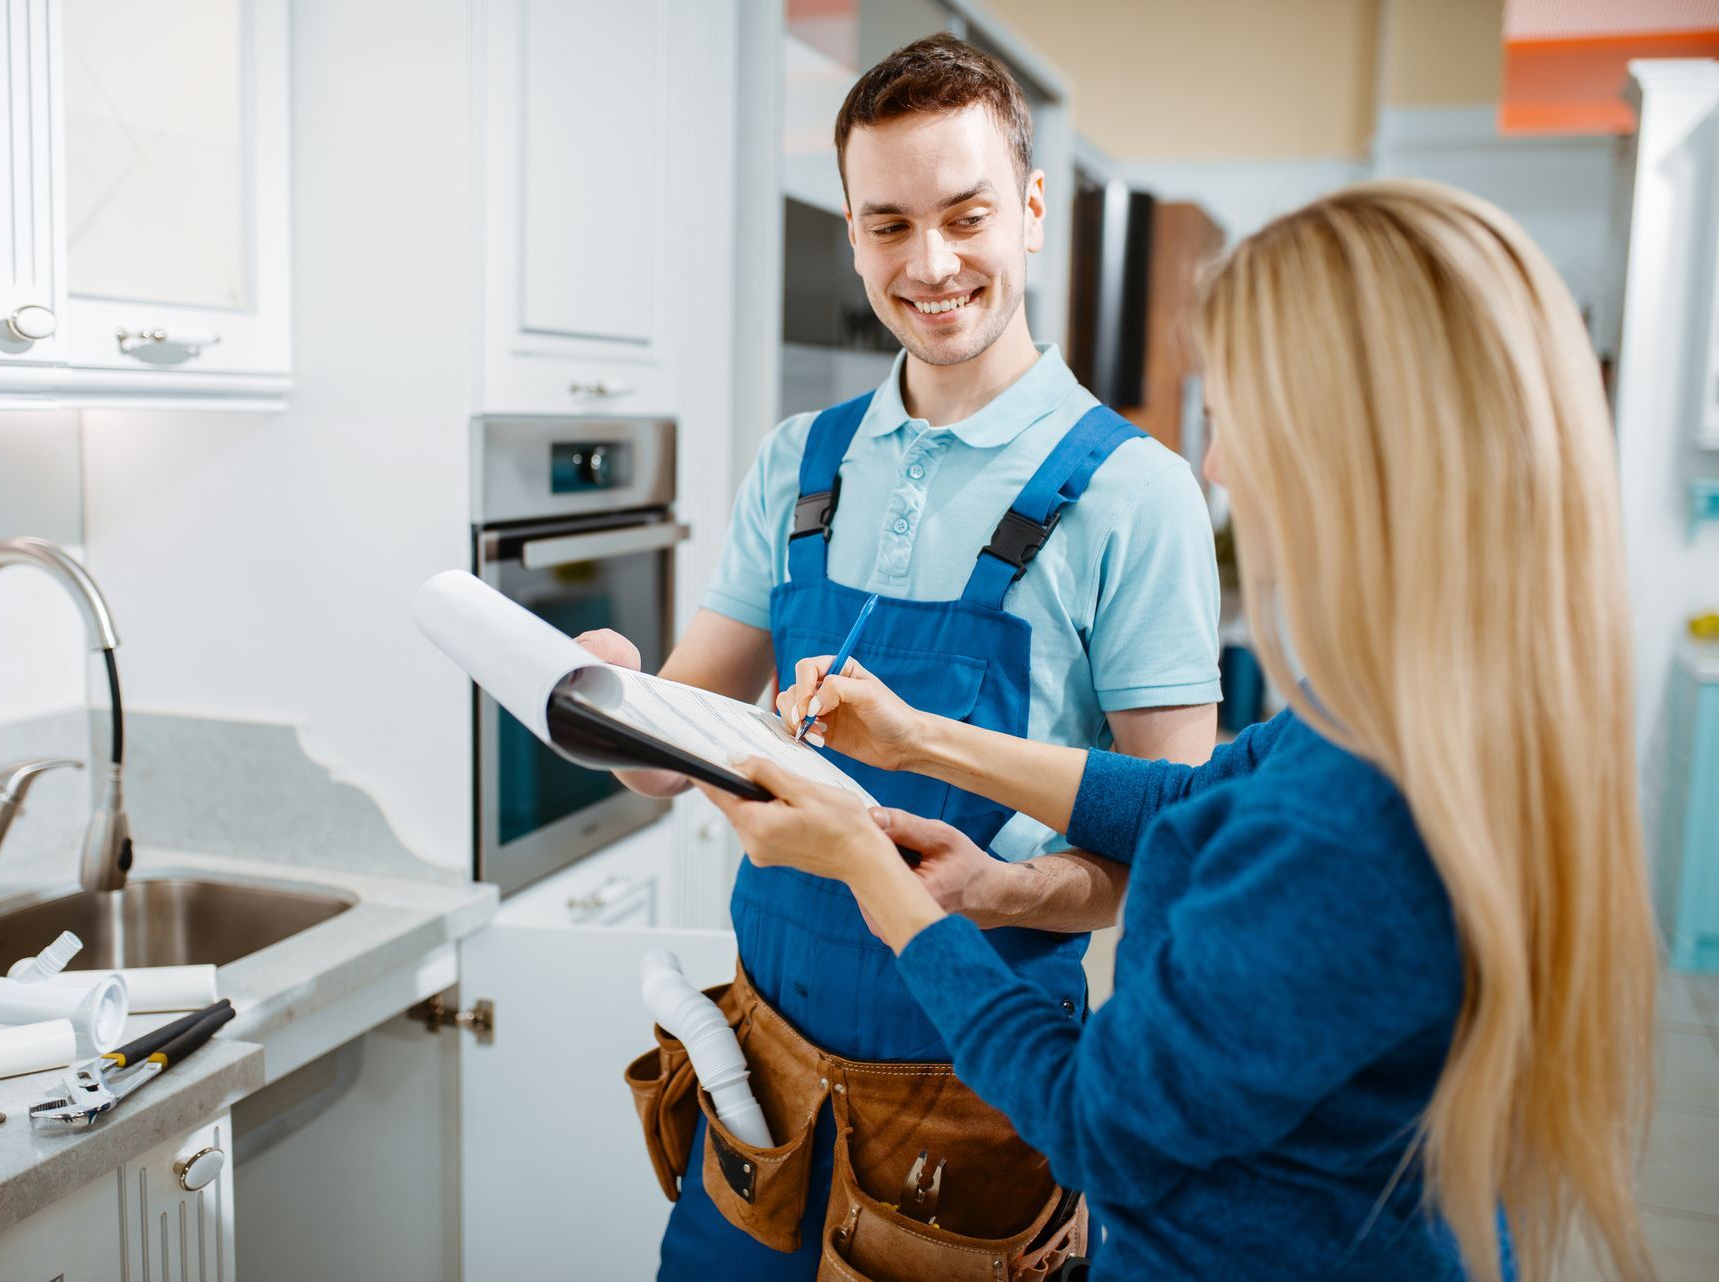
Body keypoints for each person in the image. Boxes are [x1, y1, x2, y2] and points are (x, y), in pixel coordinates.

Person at [704, 181, 1658, 1282]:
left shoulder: (1345, 829)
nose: (1219, 465)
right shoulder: (1411, 722)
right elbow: (1189, 800)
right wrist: (922, 741)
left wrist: (871, 867)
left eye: (1240, 417)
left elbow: (1096, 1117)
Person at [583, 33, 1221, 1280]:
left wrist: (1002, 890)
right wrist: (607, 703)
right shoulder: (799, 462)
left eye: (966, 215)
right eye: (887, 226)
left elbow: (1179, 855)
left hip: (976, 1102)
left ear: (1033, 212)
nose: (929, 265)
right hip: (754, 1082)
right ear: (853, 230)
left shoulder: (1136, 497)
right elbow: (671, 758)